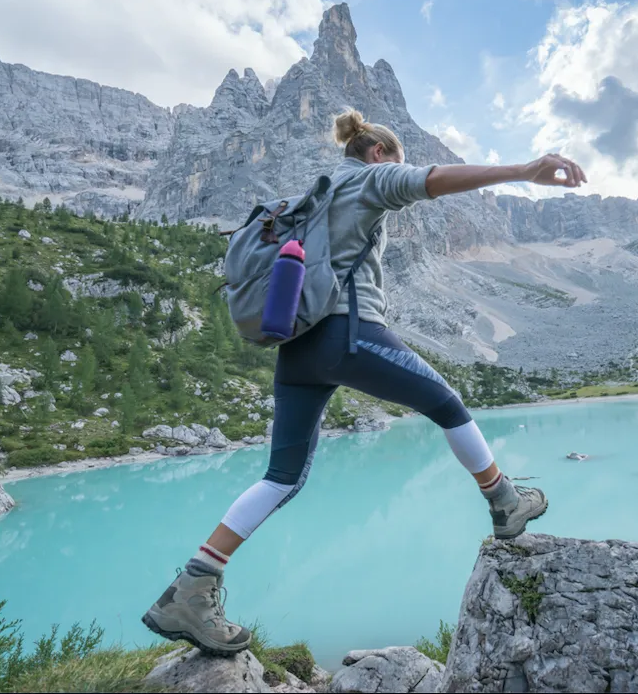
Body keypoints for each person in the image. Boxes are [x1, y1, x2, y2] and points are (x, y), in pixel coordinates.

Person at [142, 108, 588, 656]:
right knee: (448, 404)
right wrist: (524, 170)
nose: (399, 169)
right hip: (347, 335)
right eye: (397, 160)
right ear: (379, 153)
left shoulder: (318, 194)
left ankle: (190, 589)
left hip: (297, 351)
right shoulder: (369, 179)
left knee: (281, 478)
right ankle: (505, 501)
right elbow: (431, 181)